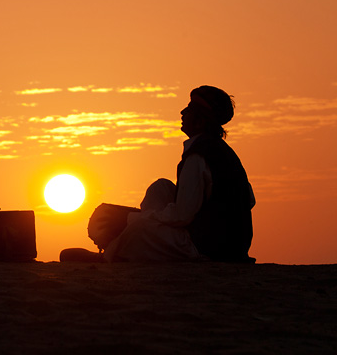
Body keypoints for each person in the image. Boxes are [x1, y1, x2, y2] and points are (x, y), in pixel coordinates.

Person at [62, 86, 256, 263]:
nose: (182, 112)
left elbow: (182, 216)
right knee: (161, 188)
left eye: (189, 109)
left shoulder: (199, 155)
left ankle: (109, 256)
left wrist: (130, 219)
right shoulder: (224, 153)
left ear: (200, 121)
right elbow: (249, 199)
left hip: (209, 249)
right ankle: (130, 237)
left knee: (140, 230)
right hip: (226, 242)